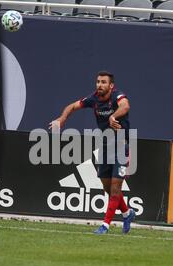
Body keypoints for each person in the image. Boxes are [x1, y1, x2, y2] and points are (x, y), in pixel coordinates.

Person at [50, 71, 136, 234]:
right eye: (98, 82)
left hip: (121, 147)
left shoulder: (118, 96)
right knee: (108, 188)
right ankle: (127, 213)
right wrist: (62, 119)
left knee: (116, 188)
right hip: (105, 147)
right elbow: (72, 106)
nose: (99, 85)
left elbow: (125, 106)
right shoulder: (93, 99)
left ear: (111, 86)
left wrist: (113, 116)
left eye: (103, 82)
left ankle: (105, 225)